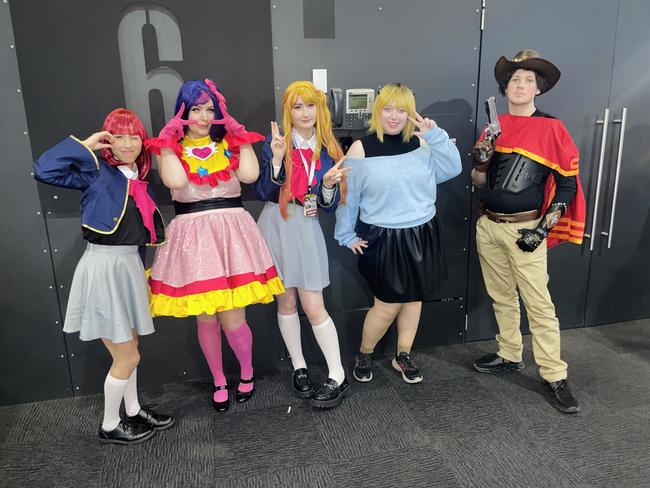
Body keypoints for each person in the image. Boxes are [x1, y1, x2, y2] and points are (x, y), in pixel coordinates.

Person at [33, 109, 174, 445]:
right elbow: (43, 168)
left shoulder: (137, 179)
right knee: (127, 356)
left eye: (134, 136)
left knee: (133, 346)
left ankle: (134, 408)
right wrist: (86, 145)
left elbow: (136, 234)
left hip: (128, 268)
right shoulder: (95, 171)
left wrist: (139, 275)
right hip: (104, 269)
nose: (127, 144)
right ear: (109, 140)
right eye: (119, 136)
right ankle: (110, 425)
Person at [146, 79, 284, 413]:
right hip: (193, 238)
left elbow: (250, 176)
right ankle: (219, 380)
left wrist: (240, 136)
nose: (205, 117)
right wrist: (167, 142)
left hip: (230, 234)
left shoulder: (228, 145)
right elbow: (176, 182)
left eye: (210, 109)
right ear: (182, 111)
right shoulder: (172, 150)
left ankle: (247, 374)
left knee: (233, 318)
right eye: (196, 109)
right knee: (206, 319)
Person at [471, 50, 586, 414]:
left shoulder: (553, 129)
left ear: (538, 89)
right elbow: (477, 180)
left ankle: (554, 374)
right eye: (514, 80)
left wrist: (541, 230)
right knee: (501, 295)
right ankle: (509, 353)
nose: (519, 85)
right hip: (488, 226)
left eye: (527, 80)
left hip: (526, 231)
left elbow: (567, 187)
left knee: (539, 305)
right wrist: (482, 156)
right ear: (505, 88)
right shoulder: (494, 126)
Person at [334, 82, 462, 385]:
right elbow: (347, 198)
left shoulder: (423, 144)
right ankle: (364, 354)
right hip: (383, 237)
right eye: (387, 109)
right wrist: (346, 234)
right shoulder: (361, 149)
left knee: (414, 299)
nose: (393, 116)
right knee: (388, 304)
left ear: (410, 113)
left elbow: (453, 168)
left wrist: (435, 135)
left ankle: (403, 354)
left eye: (401, 110)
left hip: (422, 232)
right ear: (378, 111)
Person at [252, 81, 350, 408]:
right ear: (288, 112)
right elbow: (263, 191)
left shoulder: (328, 148)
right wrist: (277, 162)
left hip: (306, 226)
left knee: (313, 304)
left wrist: (326, 186)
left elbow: (326, 205)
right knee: (287, 302)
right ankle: (299, 366)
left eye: (310, 106)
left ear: (319, 109)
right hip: (274, 223)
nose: (305, 113)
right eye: (297, 107)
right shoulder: (275, 142)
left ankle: (337, 373)